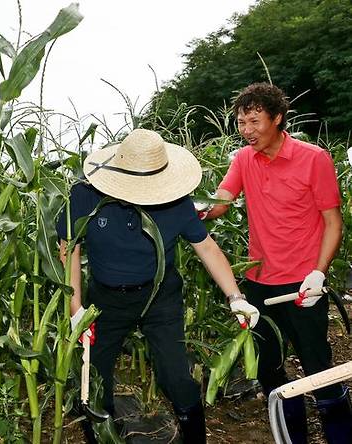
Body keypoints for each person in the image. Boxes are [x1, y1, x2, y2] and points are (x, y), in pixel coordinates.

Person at [57, 128, 260, 443]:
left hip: (159, 297)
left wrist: (235, 297)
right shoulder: (85, 195)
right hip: (106, 300)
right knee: (93, 377)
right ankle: (103, 435)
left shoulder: (174, 202)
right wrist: (76, 311)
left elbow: (206, 247)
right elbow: (69, 248)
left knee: (176, 376)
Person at [203, 82, 351, 443]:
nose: (246, 130)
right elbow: (221, 202)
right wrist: (192, 209)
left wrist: (318, 274)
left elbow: (334, 224)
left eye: (254, 121)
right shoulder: (242, 159)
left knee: (318, 366)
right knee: (270, 369)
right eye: (241, 122)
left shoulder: (313, 158)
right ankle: (293, 437)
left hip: (303, 287)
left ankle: (341, 436)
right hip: (259, 284)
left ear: (277, 118)